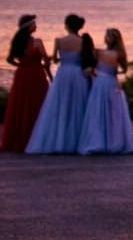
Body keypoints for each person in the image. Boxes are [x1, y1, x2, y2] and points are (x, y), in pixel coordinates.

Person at [25, 14, 92, 155]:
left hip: (63, 75)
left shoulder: (59, 40)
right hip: (77, 74)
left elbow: (55, 59)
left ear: (66, 25)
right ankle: (77, 140)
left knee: (61, 106)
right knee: (78, 106)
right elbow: (86, 59)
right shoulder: (82, 41)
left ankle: (59, 140)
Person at [78, 27, 133, 156]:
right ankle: (113, 141)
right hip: (112, 82)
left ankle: (99, 140)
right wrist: (112, 73)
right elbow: (124, 70)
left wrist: (96, 73)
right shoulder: (119, 54)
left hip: (100, 83)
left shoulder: (98, 52)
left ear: (108, 39)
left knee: (98, 112)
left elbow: (90, 65)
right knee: (113, 113)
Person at [1, 13, 51, 152]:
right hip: (36, 75)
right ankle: (35, 137)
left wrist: (22, 65)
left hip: (22, 74)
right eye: (34, 24)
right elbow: (46, 61)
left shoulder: (17, 42)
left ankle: (18, 138)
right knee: (37, 103)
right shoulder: (38, 42)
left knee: (21, 104)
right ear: (29, 26)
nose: (36, 26)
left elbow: (10, 59)